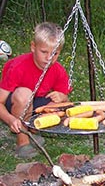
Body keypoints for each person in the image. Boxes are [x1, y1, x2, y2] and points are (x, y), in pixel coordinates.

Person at [0, 22, 71, 158]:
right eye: (44, 52)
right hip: (14, 101)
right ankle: (23, 142)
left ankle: (31, 130)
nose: (49, 58)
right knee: (25, 95)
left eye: (54, 54)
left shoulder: (58, 70)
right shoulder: (18, 67)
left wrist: (63, 98)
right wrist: (10, 120)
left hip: (36, 102)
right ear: (33, 47)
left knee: (58, 106)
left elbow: (66, 101)